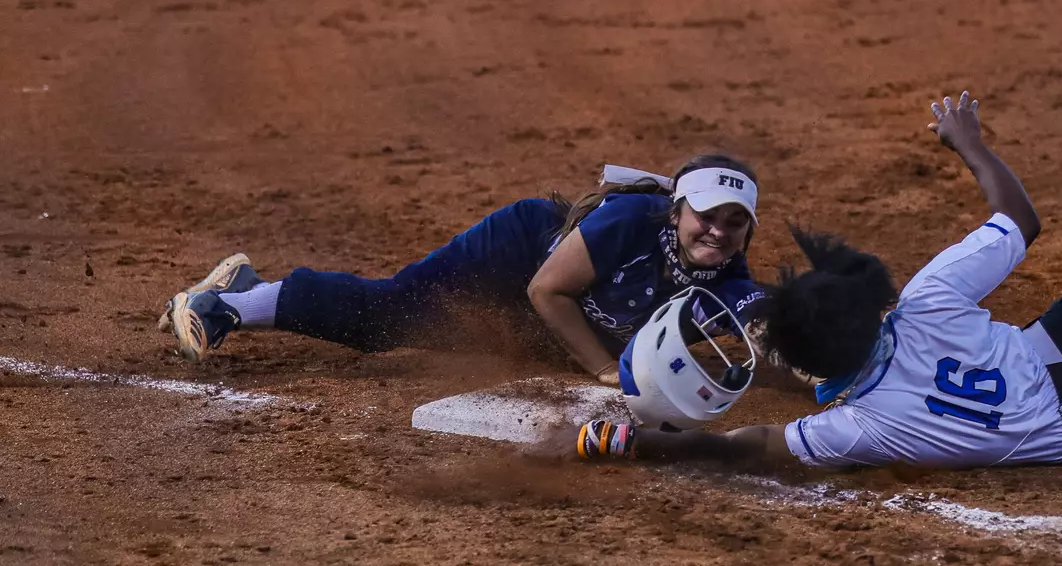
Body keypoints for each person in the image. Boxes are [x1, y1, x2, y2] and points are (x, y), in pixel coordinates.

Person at [548, 11, 1062, 472]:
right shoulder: (923, 301)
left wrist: (642, 446)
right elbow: (1019, 219)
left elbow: (746, 447)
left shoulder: (860, 427)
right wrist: (971, 146)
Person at [161, 155, 769, 384]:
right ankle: (230, 302)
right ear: (676, 211)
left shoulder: (729, 279)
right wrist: (604, 369)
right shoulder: (631, 221)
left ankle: (244, 291)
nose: (717, 230)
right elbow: (547, 290)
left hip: (553, 305)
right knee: (390, 315)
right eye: (705, 215)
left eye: (734, 222)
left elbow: (767, 325)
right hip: (517, 255)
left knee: (489, 344)